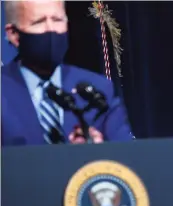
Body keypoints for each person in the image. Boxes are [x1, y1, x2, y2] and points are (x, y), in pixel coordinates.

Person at [1, 0, 134, 146]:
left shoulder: (98, 90)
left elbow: (127, 156)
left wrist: (99, 150)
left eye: (58, 20)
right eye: (38, 22)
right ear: (13, 34)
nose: (51, 29)